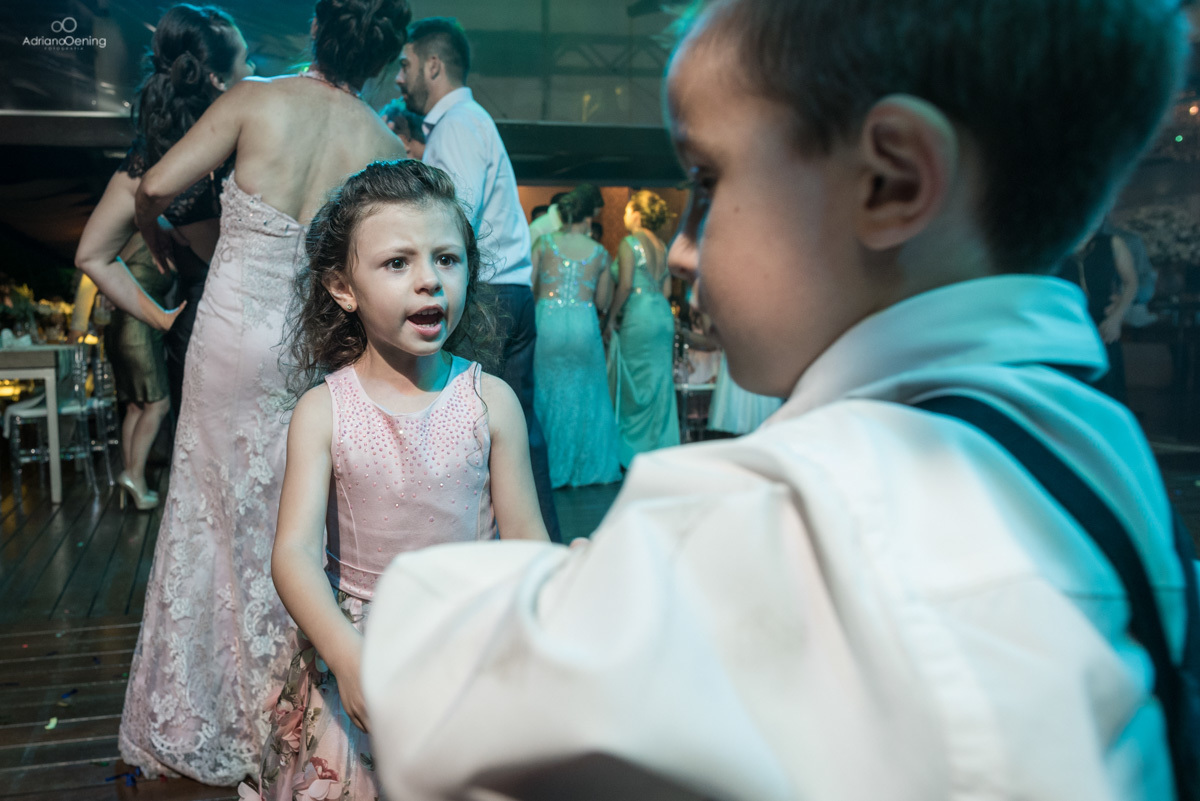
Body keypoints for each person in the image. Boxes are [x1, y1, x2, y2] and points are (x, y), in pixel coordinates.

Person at [359, 0, 1197, 798]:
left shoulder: (817, 516)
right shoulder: (1092, 428)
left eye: (708, 179)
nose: (682, 249)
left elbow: (453, 707)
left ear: (892, 181)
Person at [122, 0, 409, 784]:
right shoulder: (384, 146)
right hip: (309, 353)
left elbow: (152, 185)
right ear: (384, 57)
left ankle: (196, 710)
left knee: (206, 518)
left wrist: (160, 239)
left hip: (226, 341)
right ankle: (276, 720)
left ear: (318, 30)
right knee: (291, 526)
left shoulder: (254, 101)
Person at [239, 160, 548, 800]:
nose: (430, 281)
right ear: (343, 287)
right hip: (360, 648)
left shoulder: (491, 402)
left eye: (447, 259)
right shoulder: (324, 410)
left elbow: (526, 542)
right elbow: (294, 554)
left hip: (470, 649)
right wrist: (347, 657)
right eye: (397, 263)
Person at [73, 4, 253, 510]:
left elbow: (91, 254)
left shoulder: (152, 159)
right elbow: (92, 256)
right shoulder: (248, 147)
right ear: (217, 78)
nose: (254, 72)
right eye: (247, 62)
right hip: (243, 333)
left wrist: (163, 318)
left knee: (206, 482)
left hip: (201, 329)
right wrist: (163, 318)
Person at [395, 16, 562, 542]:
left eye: (405, 65)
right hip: (509, 290)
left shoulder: (459, 126)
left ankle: (522, 562)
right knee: (517, 433)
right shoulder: (464, 123)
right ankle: (539, 557)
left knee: (492, 436)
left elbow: (452, 226)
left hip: (491, 296)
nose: (399, 78)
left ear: (433, 65)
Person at [532, 188, 621, 488]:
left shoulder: (544, 243)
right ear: (590, 215)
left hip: (548, 322)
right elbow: (603, 301)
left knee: (547, 394)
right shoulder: (599, 253)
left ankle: (547, 468)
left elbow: (529, 285)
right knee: (587, 396)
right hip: (583, 323)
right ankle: (584, 470)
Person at [605, 189, 680, 466]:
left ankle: (634, 450)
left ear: (636, 213)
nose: (624, 215)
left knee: (634, 380)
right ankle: (659, 447)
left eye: (626, 210)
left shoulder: (629, 243)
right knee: (659, 381)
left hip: (639, 313)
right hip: (661, 312)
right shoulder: (662, 245)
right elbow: (668, 288)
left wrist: (611, 317)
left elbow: (625, 285)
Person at [1064, 219, 1139, 403]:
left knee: (1107, 392)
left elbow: (1131, 282)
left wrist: (1117, 316)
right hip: (1068, 327)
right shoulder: (1059, 246)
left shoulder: (1112, 243)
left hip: (1103, 326)